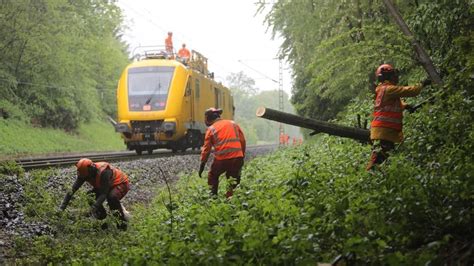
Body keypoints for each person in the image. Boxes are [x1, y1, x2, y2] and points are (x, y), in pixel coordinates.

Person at [366, 63, 431, 170]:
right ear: (387, 77)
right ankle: (371, 176)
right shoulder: (389, 89)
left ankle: (376, 175)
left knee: (382, 155)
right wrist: (422, 84)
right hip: (384, 130)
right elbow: (410, 91)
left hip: (381, 130)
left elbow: (390, 103)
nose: (396, 77)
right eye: (393, 75)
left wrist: (406, 106)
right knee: (380, 157)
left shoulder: (381, 89)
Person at [59, 158, 131, 230]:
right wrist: (62, 207)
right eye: (84, 177)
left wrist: (92, 209)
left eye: (87, 177)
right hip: (105, 185)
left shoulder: (104, 172)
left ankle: (122, 225)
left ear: (91, 169)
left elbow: (103, 194)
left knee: (111, 198)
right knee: (90, 196)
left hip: (121, 183)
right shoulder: (84, 173)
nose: (86, 179)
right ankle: (102, 217)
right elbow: (72, 190)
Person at [199, 108, 246, 198]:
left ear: (208, 118)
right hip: (237, 157)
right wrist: (242, 156)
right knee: (233, 178)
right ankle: (231, 199)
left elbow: (206, 149)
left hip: (222, 159)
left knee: (213, 175)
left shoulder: (211, 129)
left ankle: (213, 197)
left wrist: (202, 164)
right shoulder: (233, 124)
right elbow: (242, 141)